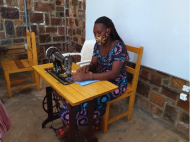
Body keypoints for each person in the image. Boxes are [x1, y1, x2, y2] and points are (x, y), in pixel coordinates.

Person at [57, 16, 129, 138]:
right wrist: (87, 67)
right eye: (94, 33)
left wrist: (88, 76)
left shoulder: (119, 47)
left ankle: (93, 124)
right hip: (101, 78)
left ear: (108, 31)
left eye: (99, 32)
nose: (96, 36)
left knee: (95, 97)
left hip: (116, 83)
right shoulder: (98, 45)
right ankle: (74, 121)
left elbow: (114, 73)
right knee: (79, 92)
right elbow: (94, 64)